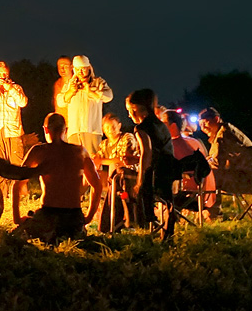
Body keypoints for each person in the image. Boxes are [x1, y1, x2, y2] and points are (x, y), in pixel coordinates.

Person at [13, 113, 103, 243]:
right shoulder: (80, 151)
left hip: (48, 215)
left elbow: (18, 183)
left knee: (16, 237)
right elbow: (97, 185)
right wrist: (88, 217)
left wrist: (17, 218)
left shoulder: (39, 151)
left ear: (45, 129)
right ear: (65, 130)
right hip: (73, 216)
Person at [125, 89, 179, 239]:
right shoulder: (162, 126)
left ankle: (139, 225)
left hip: (154, 176)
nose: (129, 115)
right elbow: (160, 152)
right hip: (169, 171)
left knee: (125, 182)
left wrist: (139, 181)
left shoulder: (141, 128)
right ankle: (166, 228)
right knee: (167, 202)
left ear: (137, 108)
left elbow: (146, 154)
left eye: (130, 111)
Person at [0, 61, 29, 201]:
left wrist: (10, 89)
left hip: (13, 130)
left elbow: (23, 102)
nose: (3, 76)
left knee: (17, 163)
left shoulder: (16, 87)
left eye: (5, 73)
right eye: (0, 74)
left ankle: (19, 195)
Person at [198, 107, 252, 195]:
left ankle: (206, 207)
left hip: (249, 182)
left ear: (216, 119)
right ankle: (209, 206)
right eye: (200, 125)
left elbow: (217, 164)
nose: (203, 127)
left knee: (204, 176)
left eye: (205, 122)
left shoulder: (223, 136)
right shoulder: (225, 130)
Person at [56, 54, 113, 156]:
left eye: (83, 69)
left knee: (92, 163)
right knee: (75, 164)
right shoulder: (70, 84)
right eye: (77, 69)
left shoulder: (98, 82)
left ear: (88, 68)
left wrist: (91, 92)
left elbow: (109, 96)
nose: (80, 72)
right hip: (74, 131)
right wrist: (70, 92)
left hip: (92, 131)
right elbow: (60, 102)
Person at [92, 112, 139, 231]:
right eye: (107, 128)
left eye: (113, 127)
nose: (110, 130)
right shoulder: (104, 144)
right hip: (113, 178)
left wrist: (102, 161)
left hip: (130, 176)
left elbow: (123, 160)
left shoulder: (127, 138)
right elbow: (98, 159)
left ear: (119, 125)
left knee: (119, 176)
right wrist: (95, 159)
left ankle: (126, 221)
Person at [164, 110, 215, 215]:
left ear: (173, 126)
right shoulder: (194, 142)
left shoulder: (174, 145)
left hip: (191, 194)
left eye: (163, 123)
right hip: (207, 193)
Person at [52, 55, 73, 121]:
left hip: (73, 122)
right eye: (60, 66)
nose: (62, 69)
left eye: (65, 66)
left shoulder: (76, 82)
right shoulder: (57, 83)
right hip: (60, 122)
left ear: (71, 67)